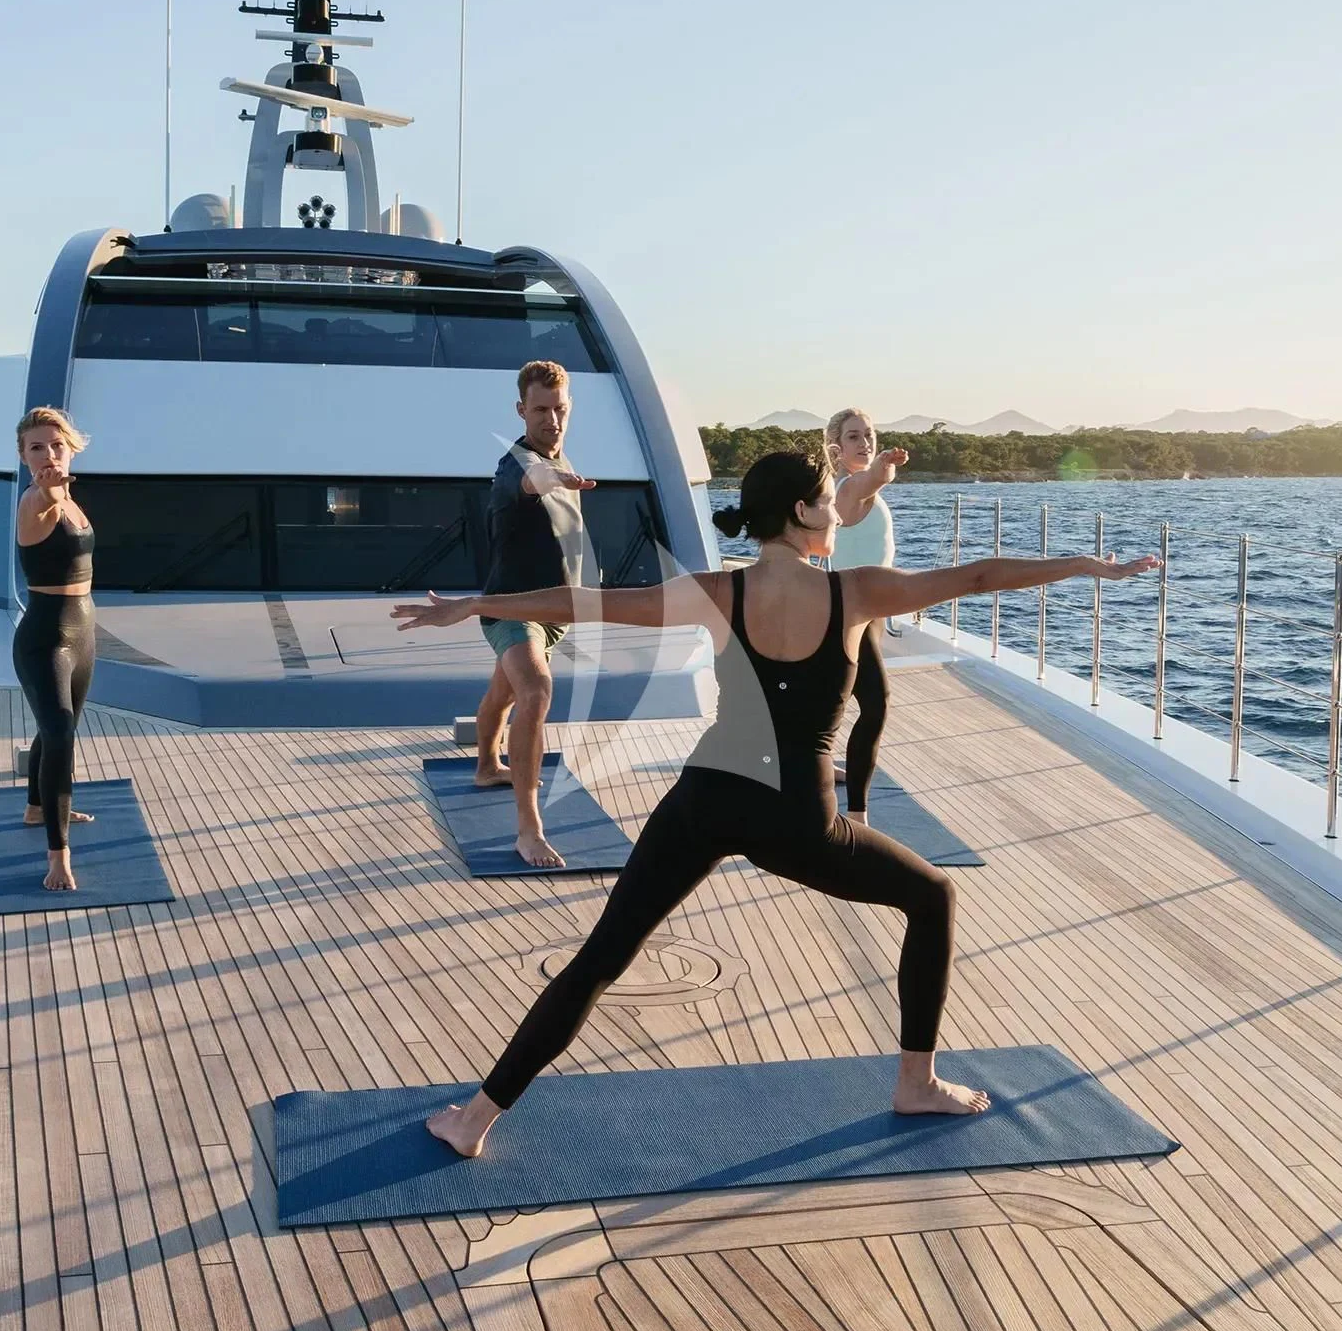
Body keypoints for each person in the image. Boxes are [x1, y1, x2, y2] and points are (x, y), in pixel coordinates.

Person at [395, 447, 1158, 1158]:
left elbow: (585, 603)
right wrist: (1093, 566)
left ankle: (475, 1118)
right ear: (800, 511)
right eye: (828, 502)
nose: (836, 514)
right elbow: (980, 577)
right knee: (932, 895)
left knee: (602, 957)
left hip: (707, 799)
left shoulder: (719, 591)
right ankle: (916, 1081)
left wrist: (475, 605)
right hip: (799, 820)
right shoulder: (856, 592)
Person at [472, 358, 596, 868]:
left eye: (560, 409)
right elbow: (530, 480)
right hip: (512, 609)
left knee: (503, 691)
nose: (552, 419)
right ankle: (529, 830)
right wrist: (546, 477)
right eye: (541, 409)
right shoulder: (515, 467)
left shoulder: (564, 459)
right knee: (536, 690)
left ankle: (486, 765)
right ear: (521, 410)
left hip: (552, 611)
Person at [12, 407, 96, 893]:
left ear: (71, 446)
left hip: (81, 631)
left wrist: (58, 488)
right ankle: (58, 856)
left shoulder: (70, 498)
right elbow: (42, 501)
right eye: (36, 447)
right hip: (46, 638)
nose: (47, 454)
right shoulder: (35, 500)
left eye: (55, 445)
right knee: (61, 735)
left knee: (57, 727)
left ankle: (35, 807)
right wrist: (47, 487)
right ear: (23, 457)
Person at [823, 408, 909, 825]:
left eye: (869, 435)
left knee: (830, 705)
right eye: (854, 437)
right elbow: (870, 479)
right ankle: (856, 817)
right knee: (875, 704)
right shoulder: (846, 490)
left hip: (868, 611)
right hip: (847, 613)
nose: (865, 442)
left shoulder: (858, 489)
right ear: (837, 449)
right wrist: (883, 468)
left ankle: (818, 771)